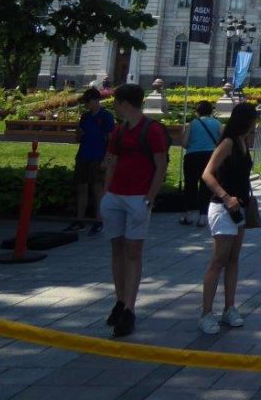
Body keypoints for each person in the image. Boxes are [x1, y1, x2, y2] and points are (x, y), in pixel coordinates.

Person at [100, 83, 167, 338]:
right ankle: (119, 300)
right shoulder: (119, 130)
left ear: (125, 103)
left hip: (138, 198)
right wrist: (106, 193)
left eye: (116, 101)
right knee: (116, 248)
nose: (114, 106)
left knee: (133, 252)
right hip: (116, 197)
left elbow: (160, 166)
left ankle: (129, 307)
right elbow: (111, 161)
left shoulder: (152, 131)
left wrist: (149, 198)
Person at [198, 101, 257, 334]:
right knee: (218, 261)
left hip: (239, 209)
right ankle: (206, 313)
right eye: (254, 119)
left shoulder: (243, 142)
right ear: (246, 120)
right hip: (223, 208)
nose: (256, 124)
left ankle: (230, 307)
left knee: (233, 259)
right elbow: (207, 174)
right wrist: (224, 196)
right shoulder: (229, 142)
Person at [66, 87, 115, 235]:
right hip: (83, 155)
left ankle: (99, 220)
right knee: (82, 188)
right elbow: (78, 138)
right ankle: (79, 220)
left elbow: (111, 139)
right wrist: (78, 135)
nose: (86, 105)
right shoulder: (85, 117)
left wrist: (106, 158)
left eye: (87, 102)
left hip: (98, 156)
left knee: (97, 189)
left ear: (95, 100)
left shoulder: (106, 116)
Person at [180, 101, 221, 228]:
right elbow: (221, 142)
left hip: (192, 156)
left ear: (197, 111)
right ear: (211, 112)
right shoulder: (218, 124)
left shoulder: (192, 124)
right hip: (210, 156)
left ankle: (188, 215)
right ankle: (203, 217)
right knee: (206, 186)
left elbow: (184, 143)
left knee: (190, 185)